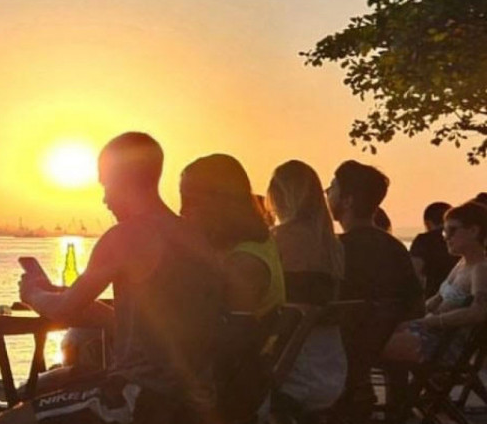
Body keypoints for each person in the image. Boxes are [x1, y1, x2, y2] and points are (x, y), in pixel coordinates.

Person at [0, 132, 223, 424]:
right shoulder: (192, 236)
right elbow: (134, 324)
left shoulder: (125, 236)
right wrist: (57, 293)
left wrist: (33, 294)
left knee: (6, 422)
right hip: (194, 399)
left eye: (106, 185)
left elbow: (63, 311)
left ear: (124, 180)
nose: (104, 199)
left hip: (142, 398)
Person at [179, 153, 286, 422]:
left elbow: (235, 344)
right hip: (234, 384)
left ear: (218, 202)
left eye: (189, 200)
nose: (181, 210)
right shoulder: (253, 247)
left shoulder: (244, 263)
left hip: (229, 395)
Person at [325, 160, 423, 422]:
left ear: (347, 200)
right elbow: (414, 305)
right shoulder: (395, 249)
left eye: (332, 188)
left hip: (343, 355)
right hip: (374, 351)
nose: (327, 193)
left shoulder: (337, 251)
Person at [265, 160, 347, 415]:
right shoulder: (333, 246)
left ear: (278, 196)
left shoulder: (277, 239)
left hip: (290, 371)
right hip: (330, 370)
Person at [382, 201, 487, 364]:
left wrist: (431, 321)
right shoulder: (461, 264)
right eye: (444, 232)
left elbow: (479, 311)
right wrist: (406, 317)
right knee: (371, 335)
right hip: (431, 334)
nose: (446, 238)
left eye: (452, 230)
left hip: (442, 345)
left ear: (474, 231)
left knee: (369, 345)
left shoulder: (480, 269)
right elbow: (437, 299)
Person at [411, 201, 458, 298]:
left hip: (433, 296)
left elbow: (415, 272)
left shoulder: (424, 240)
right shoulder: (463, 238)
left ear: (428, 223)